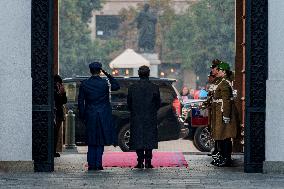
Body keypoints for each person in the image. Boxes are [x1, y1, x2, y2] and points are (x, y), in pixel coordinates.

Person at [78, 62, 120, 171]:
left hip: (90, 115)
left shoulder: (85, 84)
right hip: (103, 115)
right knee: (100, 140)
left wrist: (83, 116)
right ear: (100, 71)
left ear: (90, 71)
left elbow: (80, 102)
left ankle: (91, 164)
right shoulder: (105, 84)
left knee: (91, 140)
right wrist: (108, 74)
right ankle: (98, 164)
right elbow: (116, 86)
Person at [127, 65, 161, 169]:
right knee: (149, 138)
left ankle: (140, 161)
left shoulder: (133, 87)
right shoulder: (154, 87)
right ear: (149, 74)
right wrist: (152, 110)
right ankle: (148, 161)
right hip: (150, 116)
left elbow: (129, 103)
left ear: (138, 74)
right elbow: (158, 103)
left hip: (137, 116)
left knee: (138, 138)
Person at [210, 62, 239, 167]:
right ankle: (221, 156)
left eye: (220, 70)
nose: (218, 72)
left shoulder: (225, 83)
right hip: (219, 111)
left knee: (225, 136)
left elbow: (226, 100)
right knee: (221, 135)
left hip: (223, 111)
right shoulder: (221, 82)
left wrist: (226, 115)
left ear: (224, 71)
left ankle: (226, 158)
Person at [54, 74, 67, 158]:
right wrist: (60, 93)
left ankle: (53, 150)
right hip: (55, 113)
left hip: (58, 114)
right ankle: (52, 151)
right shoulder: (53, 89)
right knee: (54, 133)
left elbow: (64, 101)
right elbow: (57, 100)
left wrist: (63, 93)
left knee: (56, 133)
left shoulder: (58, 88)